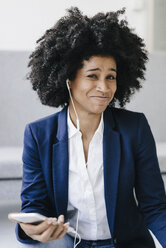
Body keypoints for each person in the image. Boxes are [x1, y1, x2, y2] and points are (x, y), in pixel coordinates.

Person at [14, 6, 166, 248]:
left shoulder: (134, 128)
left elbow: (154, 205)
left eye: (111, 77)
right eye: (93, 76)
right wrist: (32, 229)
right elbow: (34, 206)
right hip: (70, 244)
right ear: (68, 79)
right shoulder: (39, 135)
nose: (104, 88)